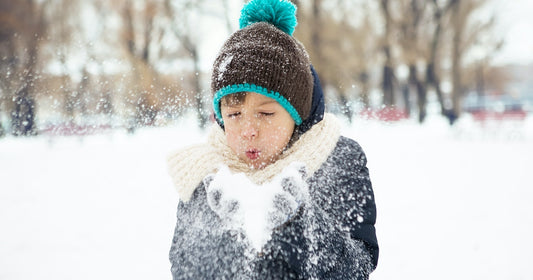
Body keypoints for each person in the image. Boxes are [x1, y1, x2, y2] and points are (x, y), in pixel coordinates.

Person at [166, 0, 378, 279]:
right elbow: (184, 269)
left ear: (297, 114)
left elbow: (359, 266)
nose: (248, 130)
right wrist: (226, 233)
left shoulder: (337, 159)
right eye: (234, 114)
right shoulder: (205, 173)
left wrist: (301, 225)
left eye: (266, 113)